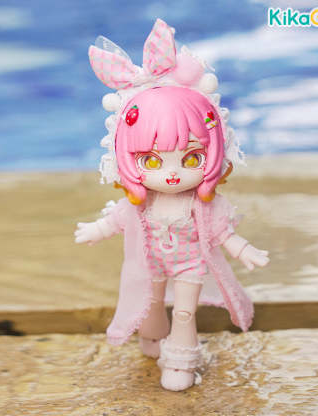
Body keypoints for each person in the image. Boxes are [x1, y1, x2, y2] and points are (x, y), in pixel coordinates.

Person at [75, 19, 269, 391]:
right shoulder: (140, 204)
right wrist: (95, 230)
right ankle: (152, 335)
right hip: (150, 262)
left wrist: (244, 249)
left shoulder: (204, 205)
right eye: (151, 161)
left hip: (190, 264)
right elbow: (115, 220)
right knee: (150, 302)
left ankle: (181, 360)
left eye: (192, 158)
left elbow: (223, 233)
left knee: (183, 312)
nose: (173, 174)